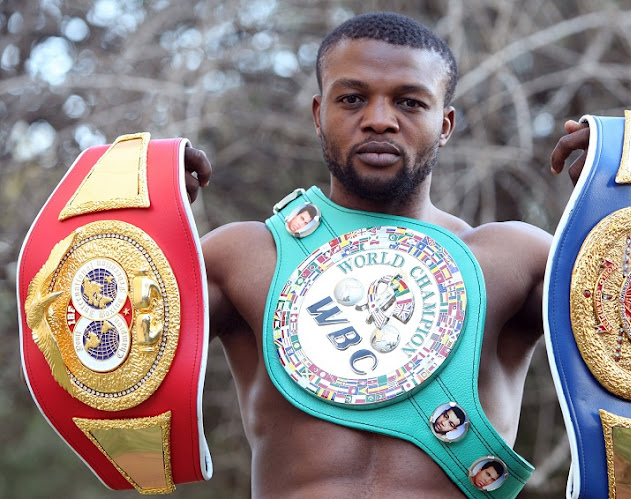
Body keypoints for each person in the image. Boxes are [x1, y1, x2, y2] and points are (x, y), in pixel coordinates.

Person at [183, 11, 591, 497]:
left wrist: (621, 201)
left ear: (445, 124)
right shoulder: (246, 256)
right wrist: (141, 222)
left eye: (409, 102)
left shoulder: (511, 259)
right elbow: (107, 344)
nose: (378, 120)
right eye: (352, 99)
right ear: (319, 114)